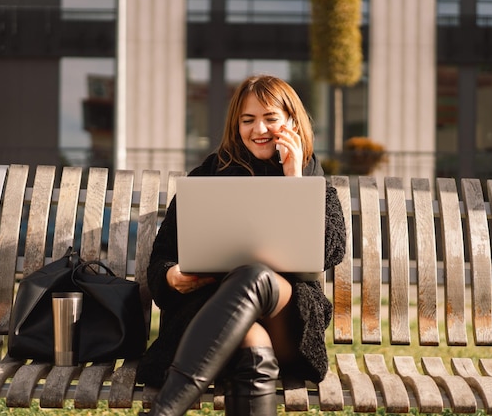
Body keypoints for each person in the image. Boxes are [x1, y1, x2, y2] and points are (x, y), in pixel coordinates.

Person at [136, 75, 347, 416]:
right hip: (211, 317)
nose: (258, 129)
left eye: (270, 118)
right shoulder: (206, 177)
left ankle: (164, 412)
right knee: (251, 343)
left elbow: (330, 251)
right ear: (236, 126)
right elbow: (163, 256)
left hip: (288, 317)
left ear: (292, 121)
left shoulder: (312, 180)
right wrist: (172, 275)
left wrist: (293, 183)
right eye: (247, 120)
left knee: (254, 275)